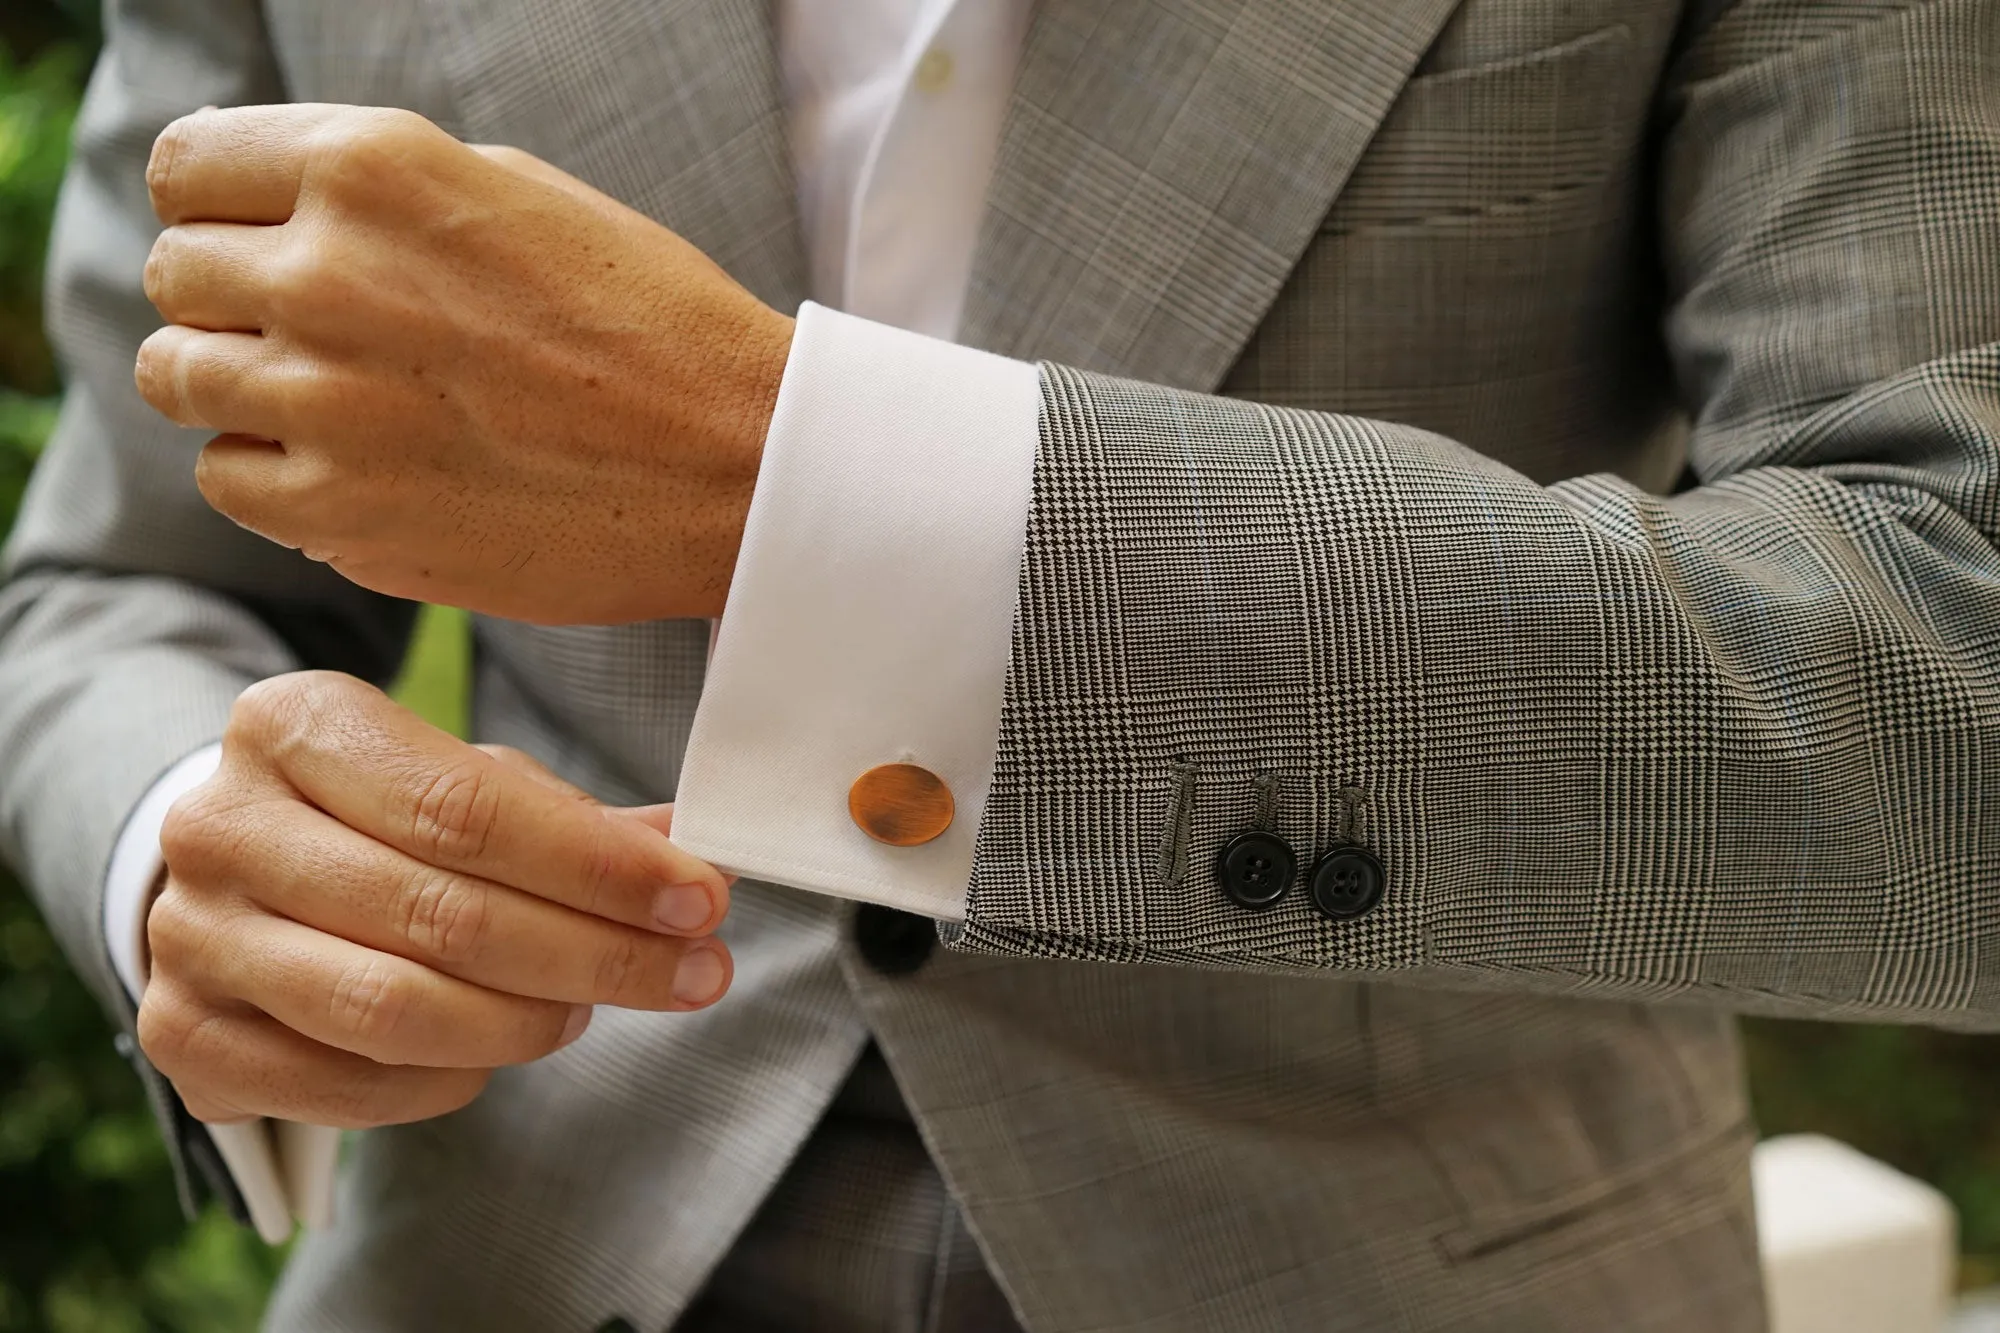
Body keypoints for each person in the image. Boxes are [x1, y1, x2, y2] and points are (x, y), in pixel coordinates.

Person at [2, 0, 1996, 1327]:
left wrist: (794, 479)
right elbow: (103, 577)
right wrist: (191, 837)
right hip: (516, 1250)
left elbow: (1951, 689)